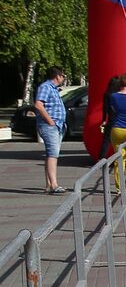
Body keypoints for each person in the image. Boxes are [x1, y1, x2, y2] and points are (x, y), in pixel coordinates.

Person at [33, 66, 67, 195]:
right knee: (53, 154)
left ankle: (49, 184)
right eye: (63, 76)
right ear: (57, 76)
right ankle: (54, 184)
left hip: (57, 125)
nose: (63, 78)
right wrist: (50, 121)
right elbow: (39, 105)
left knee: (51, 154)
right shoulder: (46, 87)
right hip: (50, 126)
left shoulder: (53, 89)